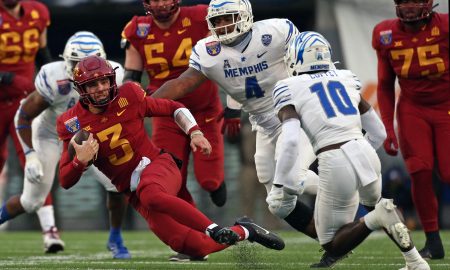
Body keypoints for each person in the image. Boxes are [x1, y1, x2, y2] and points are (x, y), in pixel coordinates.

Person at [56, 55, 285, 258]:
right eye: (92, 84)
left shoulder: (130, 95)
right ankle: (246, 230)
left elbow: (173, 107)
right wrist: (79, 161)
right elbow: (65, 180)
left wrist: (194, 132)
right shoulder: (70, 122)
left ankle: (212, 227)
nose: (100, 88)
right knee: (193, 246)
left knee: (152, 194)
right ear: (81, 89)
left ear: (111, 80)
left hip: (157, 166)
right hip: (133, 193)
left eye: (104, 81)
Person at [151, 0, 325, 248]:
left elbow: (311, 60)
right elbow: (182, 83)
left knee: (292, 180)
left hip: (294, 115)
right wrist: (144, 104)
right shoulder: (208, 51)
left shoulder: (275, 32)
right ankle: (331, 241)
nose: (222, 25)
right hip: (262, 124)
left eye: (228, 18)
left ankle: (347, 187)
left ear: (245, 16)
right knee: (277, 201)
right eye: (217, 21)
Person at [274, 30, 429, 270]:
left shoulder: (288, 86)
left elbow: (291, 140)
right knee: (376, 204)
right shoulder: (346, 78)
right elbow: (378, 132)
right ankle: (416, 262)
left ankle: (377, 218)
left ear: (297, 58)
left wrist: (282, 184)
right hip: (364, 150)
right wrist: (357, 151)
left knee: (332, 244)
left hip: (333, 157)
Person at [0, 31, 131, 259]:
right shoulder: (53, 77)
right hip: (50, 134)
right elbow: (23, 116)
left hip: (92, 134)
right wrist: (30, 154)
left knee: (117, 185)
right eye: (77, 63)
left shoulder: (115, 76)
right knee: (32, 201)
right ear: (65, 61)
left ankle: (116, 237)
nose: (84, 70)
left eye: (91, 64)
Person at [121, 0, 227, 212]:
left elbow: (221, 57)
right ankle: (190, 221)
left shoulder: (201, 17)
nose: (160, 4)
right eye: (155, 0)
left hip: (203, 108)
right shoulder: (137, 29)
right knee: (171, 175)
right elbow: (131, 77)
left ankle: (217, 182)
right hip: (166, 113)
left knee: (209, 180)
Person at [372, 0, 448, 259]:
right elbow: (384, 85)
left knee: (448, 172)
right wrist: (387, 127)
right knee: (419, 171)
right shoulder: (386, 33)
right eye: (402, 0)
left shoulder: (446, 27)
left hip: (447, 105)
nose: (408, 6)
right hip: (412, 108)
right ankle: (433, 240)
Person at [0, 0, 56, 253]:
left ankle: (50, 232)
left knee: (35, 162)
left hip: (23, 101)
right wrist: (9, 77)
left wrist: (49, 79)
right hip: (6, 94)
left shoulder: (38, 12)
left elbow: (43, 54)